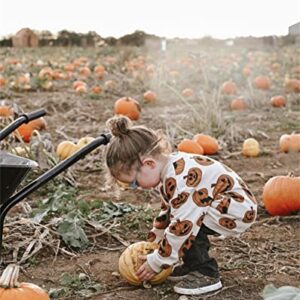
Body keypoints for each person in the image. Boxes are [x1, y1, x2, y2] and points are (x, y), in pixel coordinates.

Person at [105, 116, 257, 296]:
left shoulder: (182, 178)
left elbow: (182, 224)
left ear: (149, 164)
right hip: (220, 205)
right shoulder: (171, 169)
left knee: (187, 225)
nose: (136, 188)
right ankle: (192, 265)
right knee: (182, 219)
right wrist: (154, 244)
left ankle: (206, 272)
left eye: (134, 183)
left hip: (235, 210)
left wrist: (157, 261)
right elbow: (167, 213)